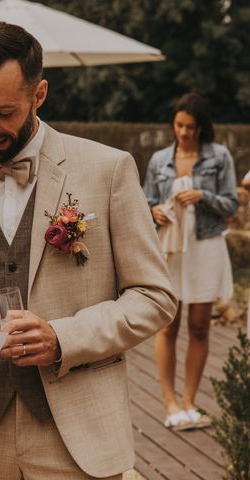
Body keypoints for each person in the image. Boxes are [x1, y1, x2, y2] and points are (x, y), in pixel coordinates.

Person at [0, 21, 177, 480]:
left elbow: (154, 297)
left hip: (80, 436)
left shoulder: (109, 169)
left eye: (4, 112)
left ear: (39, 95)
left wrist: (64, 338)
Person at [144, 92, 238, 430]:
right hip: (170, 250)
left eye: (191, 127)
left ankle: (189, 402)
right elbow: (145, 204)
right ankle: (169, 403)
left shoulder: (220, 156)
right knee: (168, 324)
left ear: (202, 127)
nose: (184, 133)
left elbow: (231, 205)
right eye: (179, 125)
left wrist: (203, 195)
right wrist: (153, 210)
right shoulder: (158, 161)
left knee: (199, 326)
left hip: (206, 246)